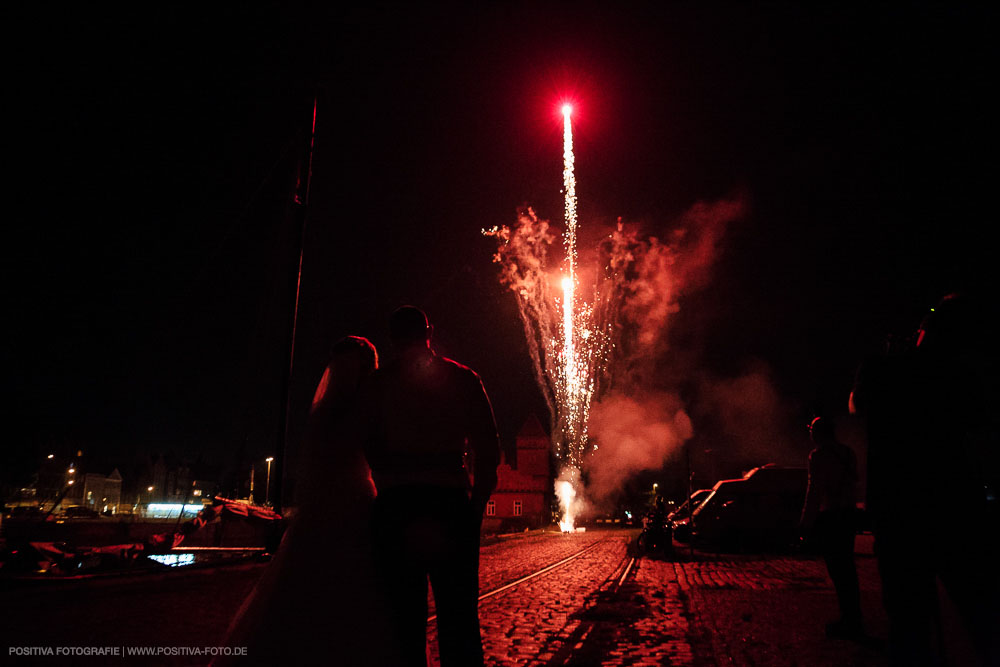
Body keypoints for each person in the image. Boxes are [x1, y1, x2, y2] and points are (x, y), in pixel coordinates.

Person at [218, 336, 398, 666]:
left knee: (301, 597)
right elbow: (382, 459)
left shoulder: (323, 413)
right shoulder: (363, 411)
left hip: (319, 514)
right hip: (357, 507)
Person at [851, 293, 999, 666]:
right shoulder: (961, 376)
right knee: (979, 611)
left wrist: (889, 359)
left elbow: (856, 404)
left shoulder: (882, 368)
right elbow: (979, 423)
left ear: (922, 331)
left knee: (907, 620)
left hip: (898, 510)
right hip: (954, 506)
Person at [361, 306, 500, 667]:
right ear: (430, 333)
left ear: (392, 339)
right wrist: (476, 505)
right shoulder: (464, 378)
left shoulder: (377, 384)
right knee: (459, 616)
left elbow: (369, 443)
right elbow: (488, 446)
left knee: (404, 619)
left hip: (397, 507)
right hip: (449, 504)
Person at [799, 416, 863, 639]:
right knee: (848, 568)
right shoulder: (847, 453)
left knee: (838, 570)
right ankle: (854, 617)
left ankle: (848, 619)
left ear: (818, 433)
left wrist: (805, 523)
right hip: (849, 515)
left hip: (832, 517)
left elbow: (814, 491)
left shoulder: (818, 456)